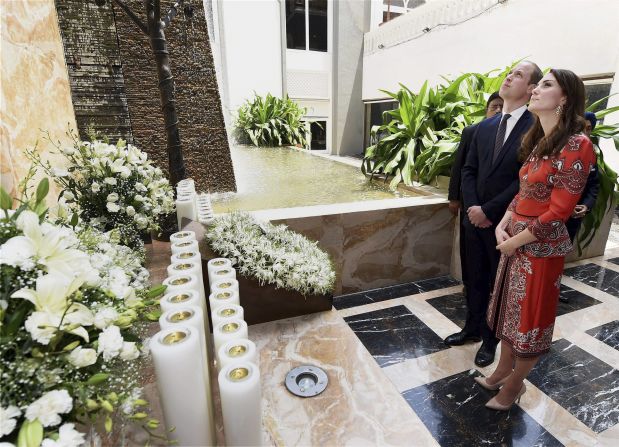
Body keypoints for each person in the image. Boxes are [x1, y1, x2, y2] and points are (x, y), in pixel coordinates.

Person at [476, 69, 596, 410]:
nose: (536, 90)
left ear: (565, 99)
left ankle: (514, 386)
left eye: (546, 85)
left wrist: (515, 241)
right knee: (508, 316)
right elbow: (524, 192)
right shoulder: (540, 141)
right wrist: (504, 222)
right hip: (515, 241)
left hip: (539, 250)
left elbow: (558, 212)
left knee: (529, 323)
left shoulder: (578, 145)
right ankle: (501, 370)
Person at [444, 61, 543, 368]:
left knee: (495, 284)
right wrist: (473, 208)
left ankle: (490, 340)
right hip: (474, 219)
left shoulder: (537, 127)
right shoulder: (484, 128)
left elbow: (526, 178)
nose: (509, 77)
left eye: (518, 75)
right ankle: (471, 328)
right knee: (473, 277)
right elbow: (469, 169)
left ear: (530, 89)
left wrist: (488, 211)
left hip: (505, 223)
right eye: (509, 72)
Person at [448, 93, 503, 292]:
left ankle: (492, 287)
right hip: (470, 203)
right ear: (487, 109)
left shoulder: (514, 135)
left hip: (496, 208)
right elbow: (460, 166)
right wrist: (454, 198)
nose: (498, 110)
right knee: (468, 247)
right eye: (494, 106)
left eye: (501, 107)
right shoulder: (472, 131)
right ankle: (469, 283)